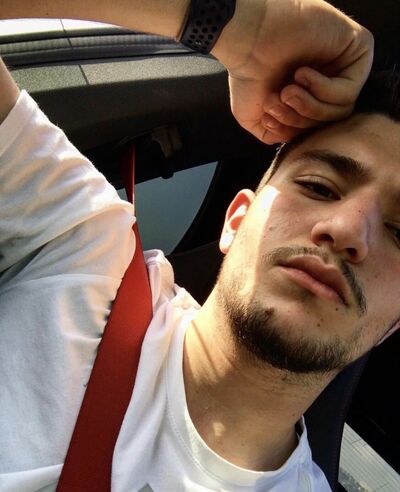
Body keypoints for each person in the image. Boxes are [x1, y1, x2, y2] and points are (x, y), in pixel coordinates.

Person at [0, 0, 382, 491]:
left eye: (399, 231)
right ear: (236, 221)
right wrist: (246, 27)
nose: (347, 229)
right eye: (318, 187)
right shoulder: (84, 245)